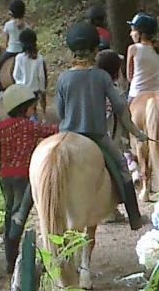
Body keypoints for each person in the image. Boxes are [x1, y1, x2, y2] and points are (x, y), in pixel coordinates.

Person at [56, 22, 149, 228]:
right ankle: (134, 216)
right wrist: (136, 132)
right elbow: (119, 106)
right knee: (123, 168)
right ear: (95, 50)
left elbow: (61, 112)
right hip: (96, 136)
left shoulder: (63, 78)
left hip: (67, 134)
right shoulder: (101, 76)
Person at [0, 83, 58, 273]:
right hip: (25, 177)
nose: (34, 110)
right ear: (24, 108)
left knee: (9, 211)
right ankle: (13, 253)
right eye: (33, 107)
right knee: (20, 214)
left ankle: (10, 258)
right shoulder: (31, 127)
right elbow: (53, 131)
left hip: (5, 178)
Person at [0, 0, 29, 95]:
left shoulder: (8, 25)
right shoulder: (27, 26)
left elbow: (5, 42)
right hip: (23, 52)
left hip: (11, 51)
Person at [125, 12, 159, 101]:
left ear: (142, 34)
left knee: (126, 114)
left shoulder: (133, 49)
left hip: (137, 92)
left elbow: (130, 77)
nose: (131, 34)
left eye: (133, 31)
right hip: (157, 90)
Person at [12, 28, 48, 120]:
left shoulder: (19, 57)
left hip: (23, 90)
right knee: (33, 111)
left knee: (23, 112)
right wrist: (42, 89)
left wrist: (19, 85)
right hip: (34, 91)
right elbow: (41, 76)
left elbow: (15, 75)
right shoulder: (39, 58)